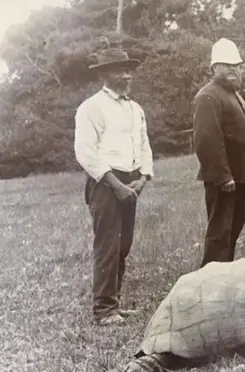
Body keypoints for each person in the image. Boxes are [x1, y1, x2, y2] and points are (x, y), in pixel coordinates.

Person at [74, 47, 153, 326]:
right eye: (121, 69)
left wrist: (143, 178)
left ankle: (114, 303)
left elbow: (144, 144)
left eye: (129, 69)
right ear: (104, 74)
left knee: (123, 245)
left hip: (131, 181)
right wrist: (115, 184)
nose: (128, 75)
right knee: (107, 245)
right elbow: (85, 153)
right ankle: (103, 309)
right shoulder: (91, 108)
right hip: (105, 183)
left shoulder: (135, 108)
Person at [192, 38, 245, 268]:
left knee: (231, 233)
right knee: (219, 236)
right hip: (226, 180)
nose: (233, 69)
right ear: (214, 68)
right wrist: (223, 176)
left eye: (237, 65)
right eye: (226, 65)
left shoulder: (232, 94)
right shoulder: (208, 96)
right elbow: (206, 140)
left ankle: (224, 280)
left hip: (242, 176)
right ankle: (209, 285)